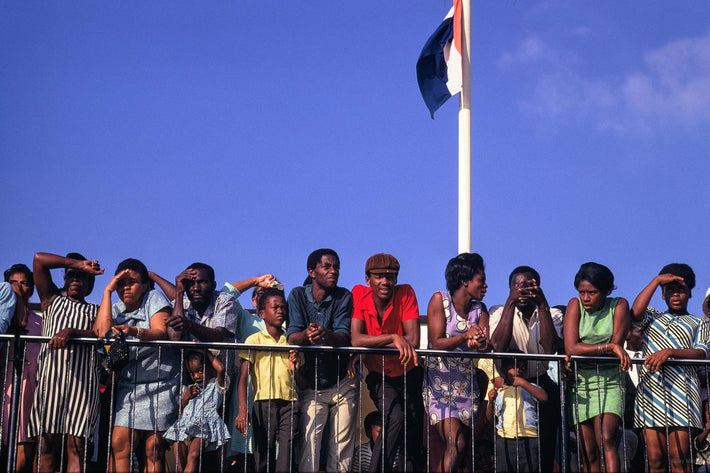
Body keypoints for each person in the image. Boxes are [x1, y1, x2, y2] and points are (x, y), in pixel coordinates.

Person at [93, 258, 180, 473]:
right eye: (121, 283)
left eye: (131, 282)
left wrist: (132, 331)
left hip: (161, 384)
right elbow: (100, 333)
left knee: (153, 449)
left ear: (143, 285)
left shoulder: (153, 297)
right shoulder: (114, 307)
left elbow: (160, 331)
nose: (125, 287)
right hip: (129, 386)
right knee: (120, 443)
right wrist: (107, 291)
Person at [28, 252, 104, 473]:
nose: (75, 281)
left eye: (82, 277)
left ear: (90, 283)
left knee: (77, 447)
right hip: (51, 381)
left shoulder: (95, 310)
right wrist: (78, 264)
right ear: (64, 279)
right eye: (71, 276)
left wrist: (71, 331)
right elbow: (38, 260)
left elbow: (99, 332)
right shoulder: (51, 300)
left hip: (83, 384)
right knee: (47, 446)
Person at [631, 264, 709, 473]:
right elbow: (635, 314)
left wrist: (670, 352)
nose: (676, 294)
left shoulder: (699, 322)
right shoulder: (652, 316)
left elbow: (701, 352)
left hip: (684, 393)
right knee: (655, 461)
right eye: (670, 290)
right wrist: (656, 281)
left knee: (680, 460)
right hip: (650, 392)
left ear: (690, 293)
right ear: (663, 294)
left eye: (681, 290)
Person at [351, 253, 424, 472]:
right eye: (379, 276)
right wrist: (393, 337)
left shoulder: (406, 292)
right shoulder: (359, 293)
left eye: (391, 277)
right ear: (368, 279)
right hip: (379, 374)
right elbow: (356, 339)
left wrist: (371, 344)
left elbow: (412, 340)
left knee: (411, 435)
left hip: (409, 373)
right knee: (395, 417)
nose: (385, 282)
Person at [286, 248, 356, 472]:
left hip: (343, 381)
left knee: (341, 448)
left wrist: (326, 334)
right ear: (312, 271)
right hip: (311, 384)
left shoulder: (344, 295)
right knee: (309, 446)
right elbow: (292, 336)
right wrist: (307, 335)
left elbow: (344, 336)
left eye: (336, 267)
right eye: (327, 266)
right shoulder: (297, 294)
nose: (333, 271)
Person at [488, 265, 564, 472]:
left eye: (528, 286)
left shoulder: (553, 313)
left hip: (539, 383)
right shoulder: (498, 311)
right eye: (516, 286)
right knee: (507, 448)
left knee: (544, 450)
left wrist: (542, 304)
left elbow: (549, 349)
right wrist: (511, 302)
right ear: (509, 288)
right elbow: (498, 346)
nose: (522, 291)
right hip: (508, 385)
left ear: (537, 287)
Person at [423, 252, 490, 473]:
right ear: (465, 281)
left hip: (467, 389)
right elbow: (436, 342)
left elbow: (485, 345)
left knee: (462, 453)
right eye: (481, 279)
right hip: (439, 388)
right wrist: (464, 337)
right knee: (457, 443)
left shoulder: (480, 309)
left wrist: (477, 343)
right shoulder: (439, 300)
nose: (486, 285)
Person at [563, 262, 630, 473]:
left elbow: (617, 343)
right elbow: (571, 347)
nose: (585, 298)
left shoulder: (619, 305)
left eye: (592, 292)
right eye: (582, 292)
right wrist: (608, 346)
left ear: (607, 291)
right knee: (588, 450)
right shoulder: (574, 305)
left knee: (607, 438)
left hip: (610, 380)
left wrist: (595, 349)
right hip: (581, 382)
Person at [235, 288, 306, 472]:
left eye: (283, 307)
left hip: (290, 404)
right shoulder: (254, 340)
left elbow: (302, 382)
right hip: (263, 404)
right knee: (263, 456)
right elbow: (243, 378)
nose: (280, 311)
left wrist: (295, 368)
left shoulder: (292, 341)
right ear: (262, 313)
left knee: (287, 453)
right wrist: (242, 410)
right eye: (275, 307)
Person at [164, 349, 231, 473]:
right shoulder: (188, 388)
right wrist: (186, 398)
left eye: (200, 371)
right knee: (180, 462)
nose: (196, 376)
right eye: (192, 372)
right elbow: (177, 413)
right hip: (182, 427)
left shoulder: (216, 385)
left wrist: (207, 353)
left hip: (202, 428)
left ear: (209, 367)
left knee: (193, 455)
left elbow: (221, 369)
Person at [2, 264, 40, 472]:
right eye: (13, 283)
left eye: (24, 283)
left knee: (24, 441)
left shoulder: (40, 322)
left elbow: (24, 320)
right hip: (6, 381)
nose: (18, 287)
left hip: (28, 385)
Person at [487, 355, 548, 473]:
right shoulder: (500, 392)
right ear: (504, 370)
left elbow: (544, 397)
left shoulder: (530, 388)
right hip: (504, 439)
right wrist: (490, 402)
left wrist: (523, 383)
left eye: (523, 368)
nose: (519, 370)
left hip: (529, 438)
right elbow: (490, 420)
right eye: (514, 367)